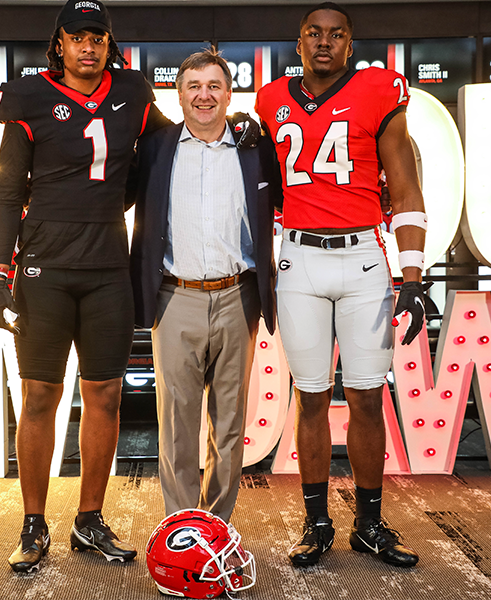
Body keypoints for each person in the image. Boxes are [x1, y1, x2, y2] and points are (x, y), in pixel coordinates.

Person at [0, 0, 171, 573]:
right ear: (59, 44)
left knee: (106, 395)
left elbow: (169, 147)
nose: (88, 47)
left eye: (98, 37)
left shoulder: (134, 93)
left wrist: (235, 129)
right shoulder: (28, 96)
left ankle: (88, 520)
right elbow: (8, 190)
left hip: (108, 266)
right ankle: (34, 523)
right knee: (39, 395)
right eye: (77, 37)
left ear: (109, 44)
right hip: (44, 266)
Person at [256, 2, 426, 567]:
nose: (324, 43)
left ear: (350, 44)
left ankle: (369, 524)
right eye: (314, 33)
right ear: (298, 41)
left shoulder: (380, 90)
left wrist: (412, 272)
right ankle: (316, 522)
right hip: (298, 256)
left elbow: (403, 186)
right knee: (308, 397)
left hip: (362, 258)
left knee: (366, 397)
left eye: (336, 35)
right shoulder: (270, 99)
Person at [129, 48, 280, 523]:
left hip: (238, 296)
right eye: (194, 87)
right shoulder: (156, 148)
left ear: (229, 93)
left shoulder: (254, 147)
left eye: (214, 86)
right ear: (179, 96)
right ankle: (180, 530)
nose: (204, 95)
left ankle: (216, 529)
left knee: (230, 427)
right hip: (175, 299)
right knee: (176, 428)